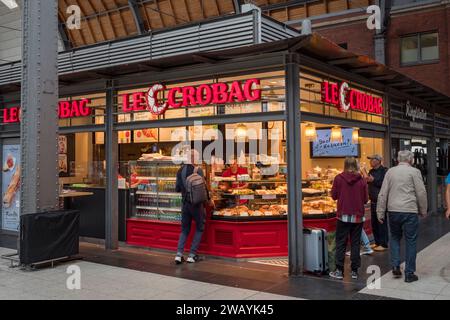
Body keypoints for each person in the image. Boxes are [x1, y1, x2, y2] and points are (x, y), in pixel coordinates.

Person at [377, 150, 428, 283]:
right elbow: (421, 192)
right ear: (411, 160)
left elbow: (383, 193)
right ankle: (409, 273)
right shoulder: (414, 172)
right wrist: (423, 209)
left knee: (394, 238)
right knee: (410, 241)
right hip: (410, 211)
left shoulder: (390, 172)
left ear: (397, 160)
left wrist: (380, 212)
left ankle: (395, 266)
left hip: (393, 211)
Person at [329, 157, 368, 280]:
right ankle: (354, 271)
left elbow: (334, 196)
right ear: (356, 165)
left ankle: (339, 271)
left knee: (341, 243)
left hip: (343, 216)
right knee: (355, 243)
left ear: (345, 165)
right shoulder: (362, 180)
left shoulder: (338, 179)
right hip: (358, 216)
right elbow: (365, 199)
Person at [174, 149, 214, 264]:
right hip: (196, 205)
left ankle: (179, 254)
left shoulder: (180, 170)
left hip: (185, 204)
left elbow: (177, 188)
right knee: (200, 227)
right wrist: (209, 200)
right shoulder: (198, 170)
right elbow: (203, 188)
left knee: (184, 230)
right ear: (194, 158)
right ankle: (192, 255)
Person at [366, 154, 388, 252]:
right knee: (374, 223)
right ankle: (377, 242)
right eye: (370, 160)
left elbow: (384, 184)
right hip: (373, 200)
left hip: (381, 201)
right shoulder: (371, 171)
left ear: (378, 161)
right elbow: (370, 183)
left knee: (381, 222)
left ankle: (384, 244)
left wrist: (373, 180)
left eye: (372, 159)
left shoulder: (384, 171)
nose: (370, 162)